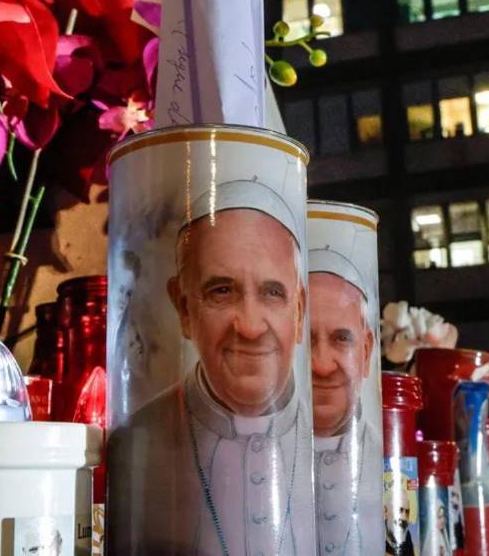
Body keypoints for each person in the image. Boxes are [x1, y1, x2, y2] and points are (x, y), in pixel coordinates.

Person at [108, 179, 313, 556]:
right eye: (222, 291)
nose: (250, 327)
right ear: (184, 308)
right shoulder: (131, 445)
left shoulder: (332, 441)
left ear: (299, 311)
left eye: (272, 293)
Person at [309, 252, 382, 556]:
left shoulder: (388, 457)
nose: (322, 365)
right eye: (307, 339)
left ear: (366, 352)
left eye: (341, 339)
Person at [385, 487, 416, 556]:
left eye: (407, 512)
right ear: (386, 511)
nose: (404, 518)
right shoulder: (378, 535)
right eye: (400, 510)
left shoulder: (407, 536)